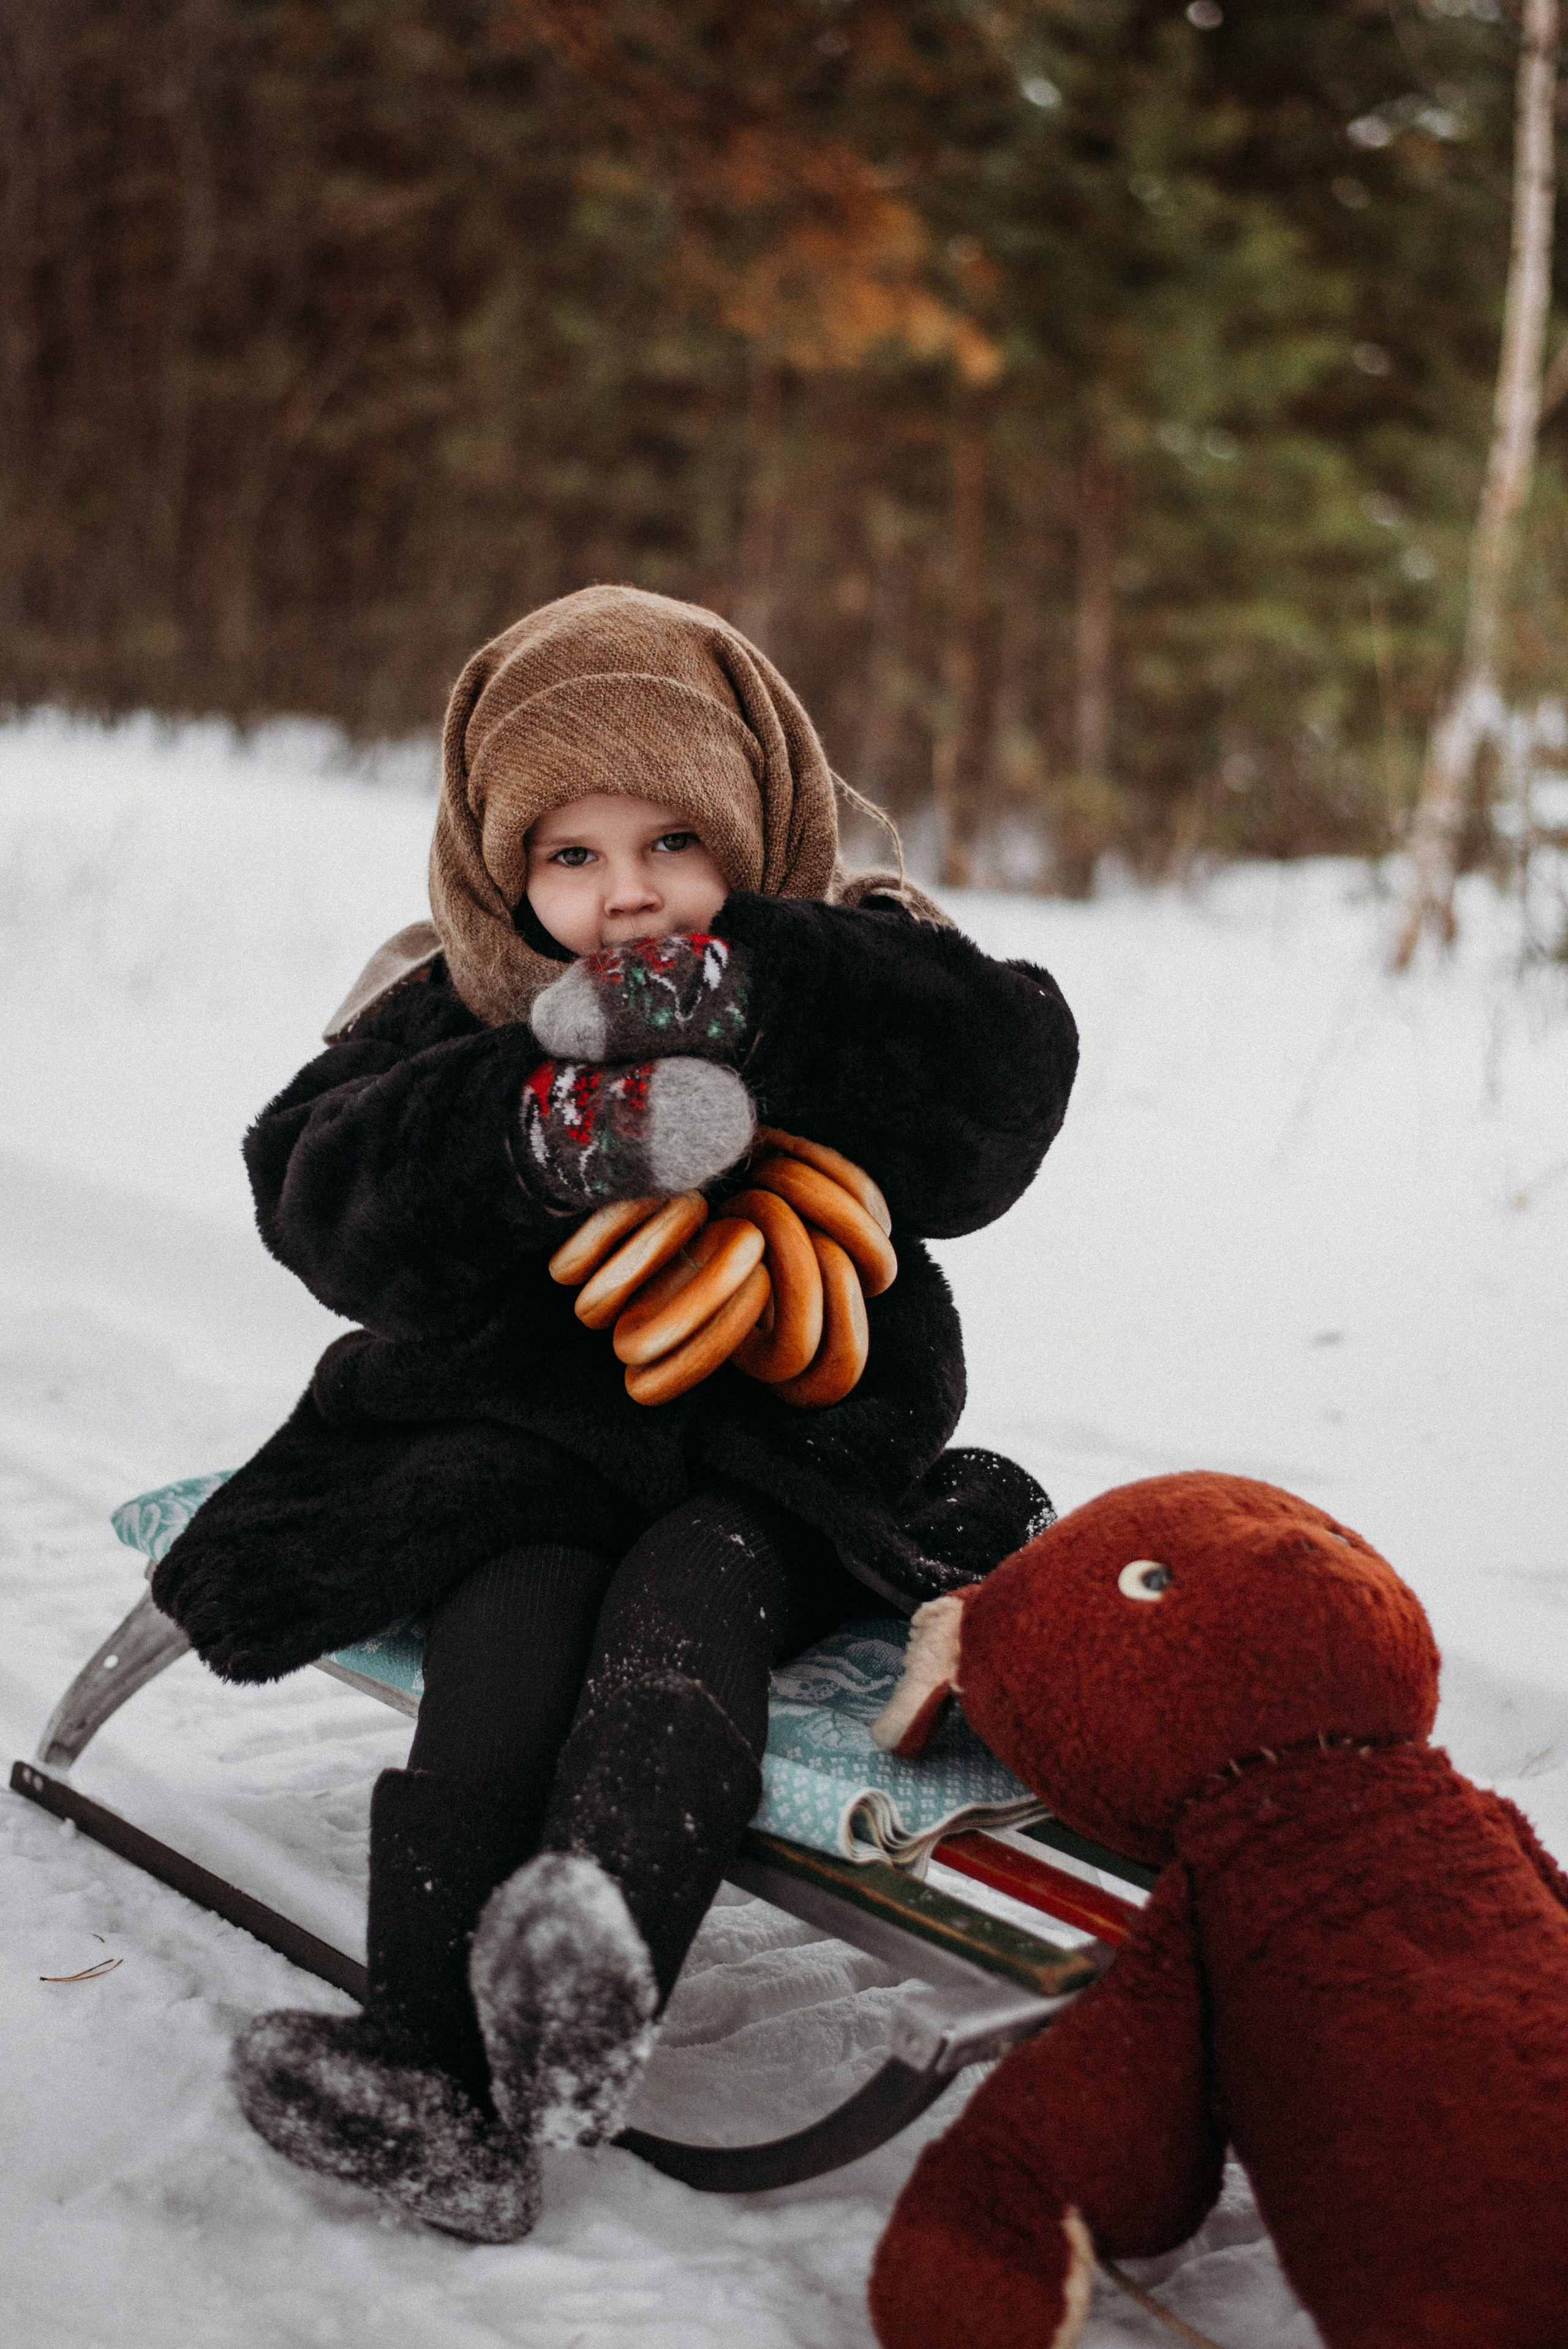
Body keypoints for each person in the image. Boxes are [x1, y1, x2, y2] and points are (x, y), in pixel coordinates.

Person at [151, 584, 1079, 2242]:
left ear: (757, 823)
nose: (626, 892)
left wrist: (760, 991)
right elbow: (314, 1190)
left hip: (787, 1459)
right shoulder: (456, 994)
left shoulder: (859, 952)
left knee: (692, 1600)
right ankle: (428, 2060)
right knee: (513, 1616)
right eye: (569, 855)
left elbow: (998, 1095)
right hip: (524, 1446)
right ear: (507, 869)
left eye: (671, 839)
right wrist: (538, 1126)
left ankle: (590, 1979)